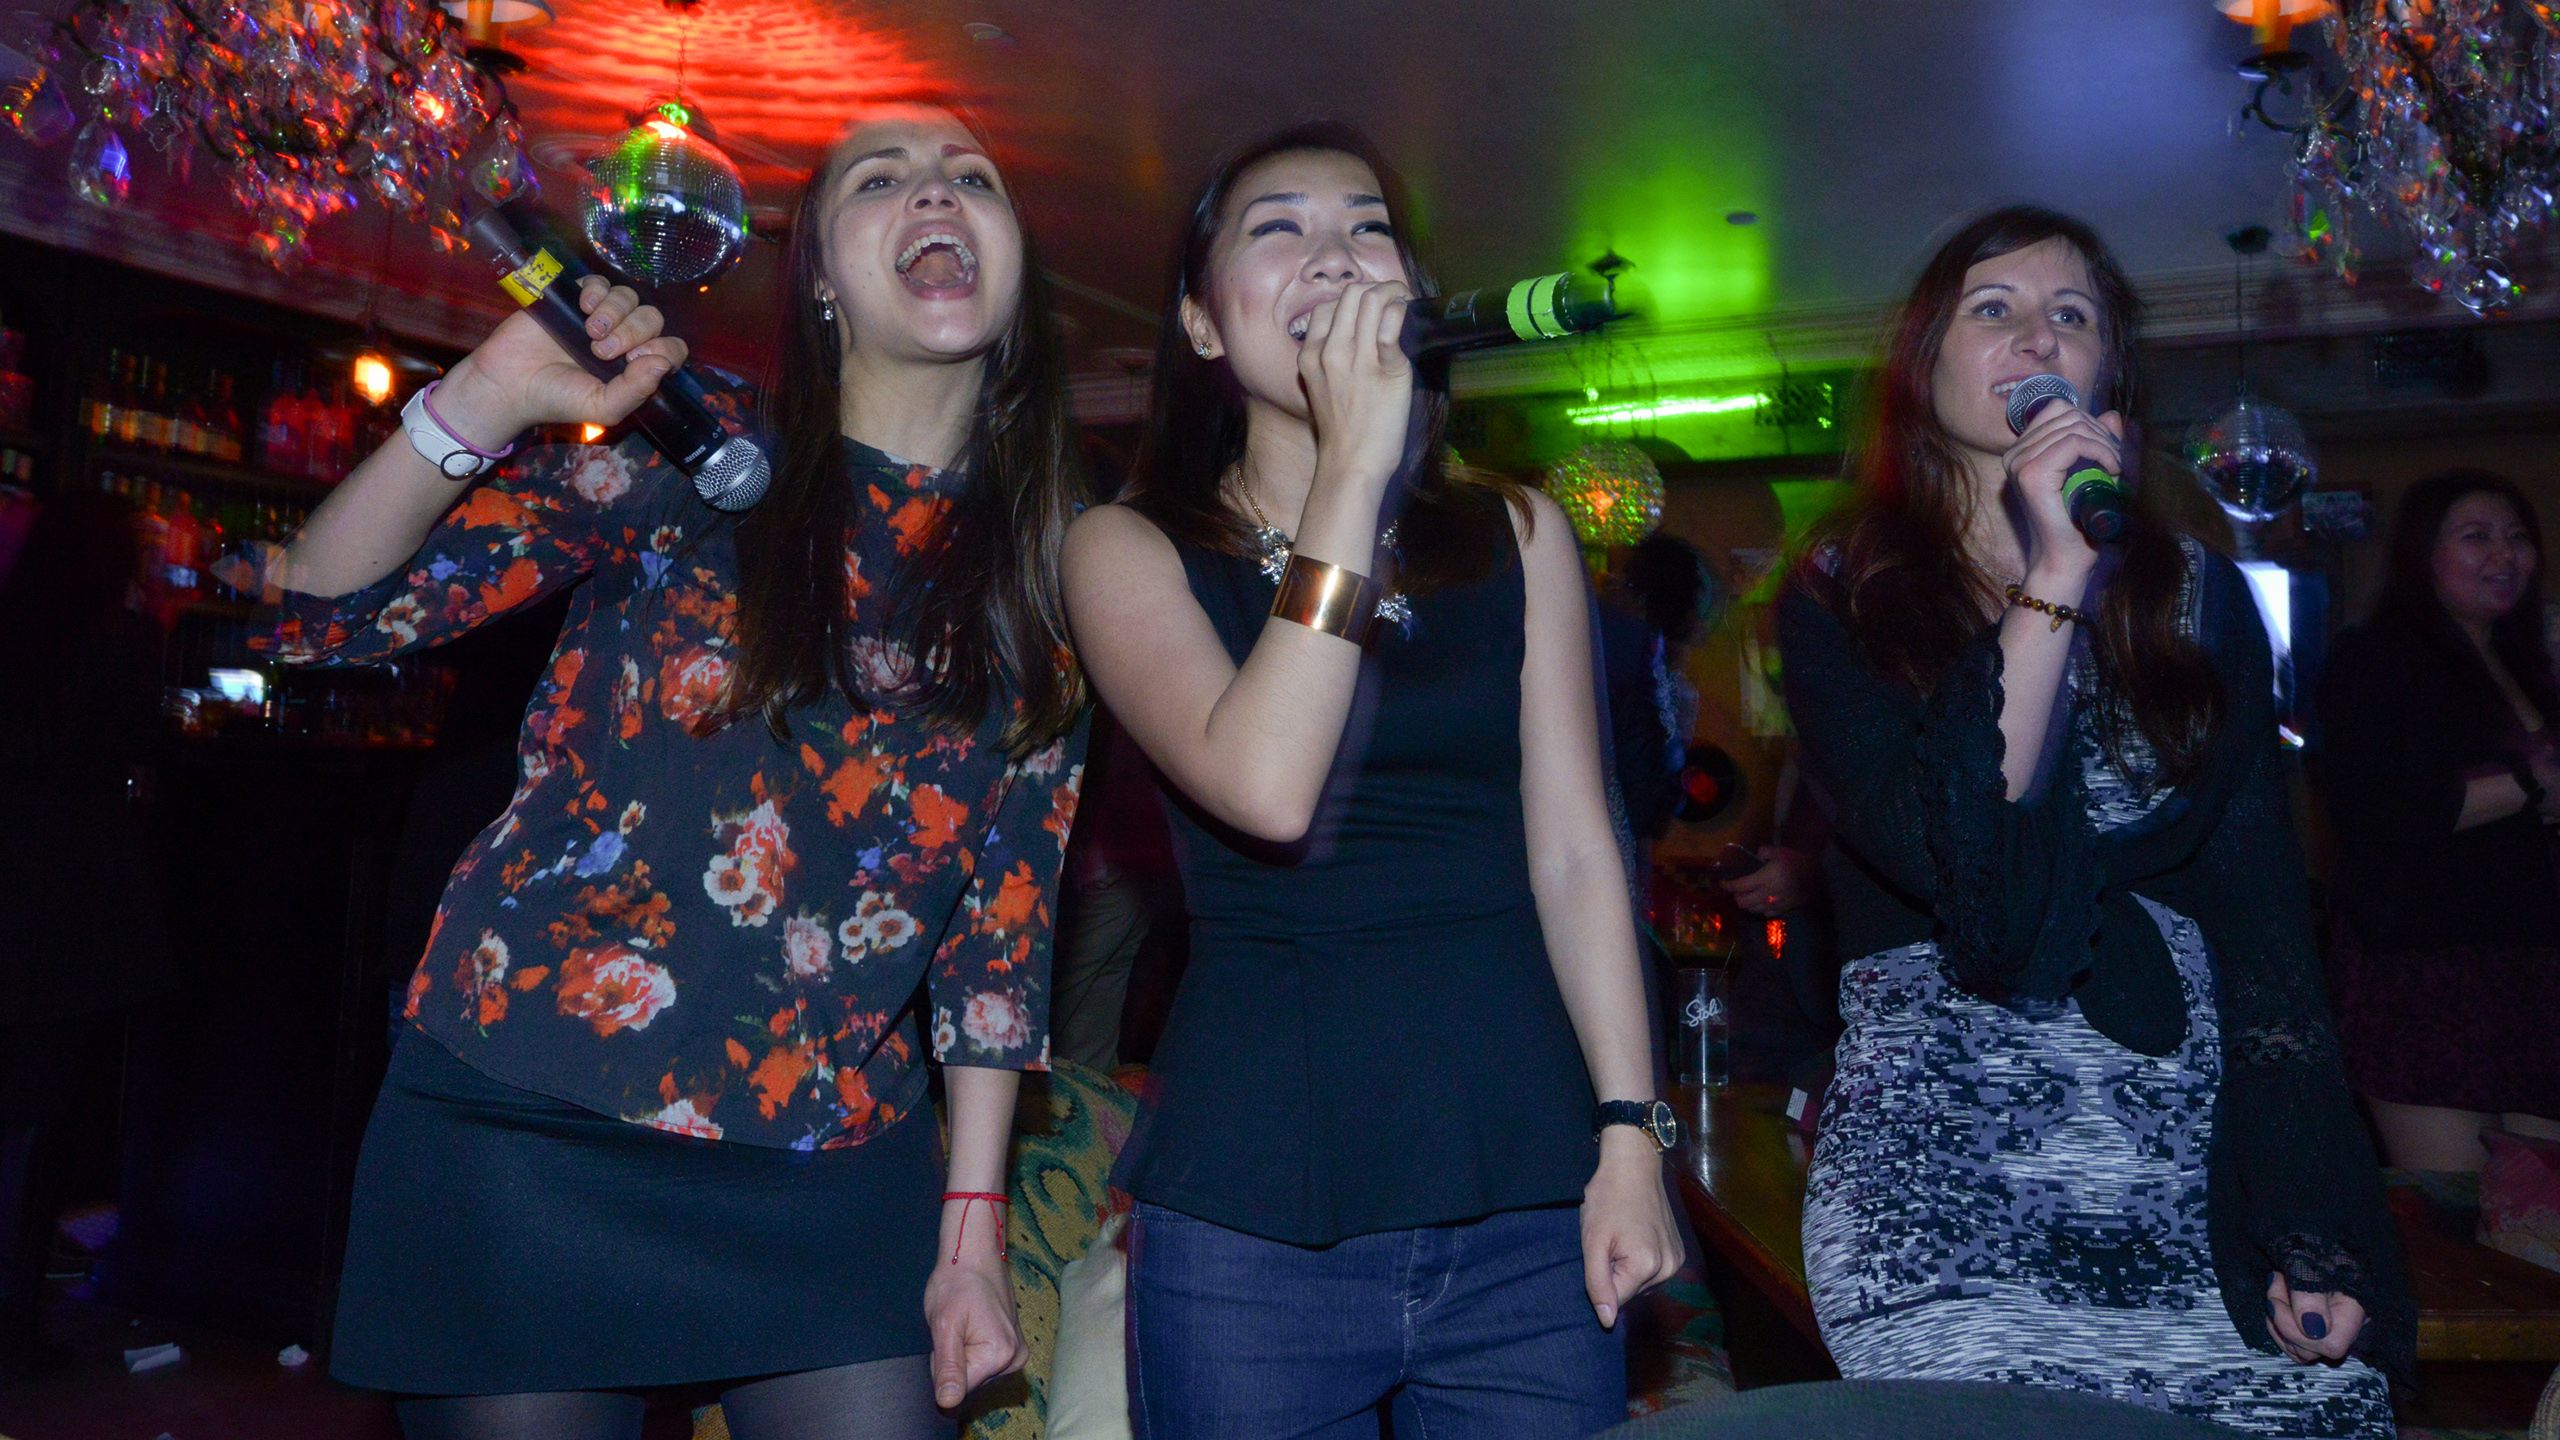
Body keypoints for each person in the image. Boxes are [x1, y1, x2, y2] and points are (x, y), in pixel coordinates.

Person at [268, 98, 1086, 1438]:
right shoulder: (690, 463)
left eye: (973, 177)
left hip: (833, 1158)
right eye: (884, 179)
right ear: (818, 275)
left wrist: (972, 1234)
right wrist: (486, 393)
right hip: (531, 1120)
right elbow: (317, 617)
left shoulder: (1059, 568)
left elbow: (1003, 939)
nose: (938, 195)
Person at [1061, 120, 1683, 1438]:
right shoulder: (1124, 549)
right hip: (1258, 1208)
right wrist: (1352, 467)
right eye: (1277, 228)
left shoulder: (1516, 533)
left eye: (1366, 226)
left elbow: (1576, 848)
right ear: (1203, 326)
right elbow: (1268, 785)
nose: (1335, 255)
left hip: (1522, 1185)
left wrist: (1631, 1128)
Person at [1777, 206, 2409, 1438]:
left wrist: (2306, 1226)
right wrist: (2054, 576)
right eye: (1993, 308)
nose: (2036, 338)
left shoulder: (2195, 596)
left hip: (2180, 1181)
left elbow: (2267, 939)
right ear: (1924, 363)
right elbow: (1961, 867)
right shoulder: (1845, 588)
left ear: (2110, 373)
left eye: (2073, 317)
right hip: (1944, 1179)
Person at [2316, 470, 2560, 1171]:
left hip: (2529, 962)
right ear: (2424, 556)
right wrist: (2525, 784)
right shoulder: (2377, 658)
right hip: (2425, 967)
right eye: (2477, 537)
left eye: (2517, 539)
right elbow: (2368, 808)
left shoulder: (2524, 661)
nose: (2503, 556)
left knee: (2537, 1225)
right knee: (2457, 1216)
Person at [0, 488, 172, 1376]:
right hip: (66, 913)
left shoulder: (16, 632)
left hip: (20, 897)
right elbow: (146, 739)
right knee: (35, 1120)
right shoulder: (113, 642)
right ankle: (11, 1322)